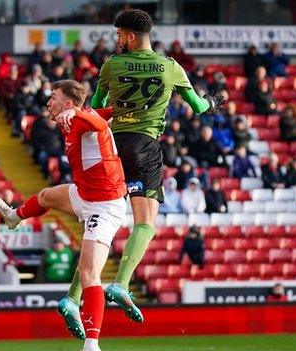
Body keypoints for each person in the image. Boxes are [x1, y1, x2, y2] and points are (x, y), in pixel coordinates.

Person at [71, 8, 223, 328]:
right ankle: (122, 283)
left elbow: (97, 109)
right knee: (146, 222)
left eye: (118, 35)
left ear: (129, 36)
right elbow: (197, 107)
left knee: (102, 224)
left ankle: (72, 297)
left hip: (110, 147)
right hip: (145, 147)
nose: (116, 40)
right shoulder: (170, 67)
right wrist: (213, 102)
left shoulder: (111, 65)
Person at [0, 80, 126, 349]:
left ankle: (92, 343)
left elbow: (99, 124)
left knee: (88, 273)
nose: (48, 102)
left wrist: (78, 113)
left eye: (53, 98)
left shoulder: (83, 119)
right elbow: (109, 113)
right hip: (85, 193)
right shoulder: (74, 118)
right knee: (45, 196)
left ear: (68, 103)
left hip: (105, 205)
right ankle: (14, 217)